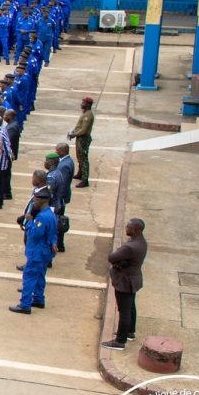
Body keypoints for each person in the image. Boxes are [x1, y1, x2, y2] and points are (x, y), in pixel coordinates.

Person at [10, 188, 57, 315]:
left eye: (35, 200)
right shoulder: (51, 214)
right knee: (40, 276)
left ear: (41, 201)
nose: (34, 203)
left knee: (29, 277)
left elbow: (35, 234)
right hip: (45, 252)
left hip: (37, 252)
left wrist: (30, 221)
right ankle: (38, 298)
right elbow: (53, 233)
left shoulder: (42, 217)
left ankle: (25, 304)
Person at [103, 219, 148, 351]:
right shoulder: (141, 242)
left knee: (124, 311)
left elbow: (111, 257)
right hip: (133, 279)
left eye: (129, 227)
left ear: (136, 229)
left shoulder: (130, 247)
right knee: (131, 307)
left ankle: (120, 341)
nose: (126, 228)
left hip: (125, 281)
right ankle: (129, 332)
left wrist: (119, 260)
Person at [69, 97, 95, 188]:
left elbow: (84, 130)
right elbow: (79, 126)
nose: (81, 104)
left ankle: (85, 180)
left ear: (88, 104)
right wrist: (73, 132)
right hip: (80, 138)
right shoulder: (85, 113)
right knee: (79, 157)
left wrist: (74, 134)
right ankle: (80, 173)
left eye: (83, 103)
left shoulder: (88, 115)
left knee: (83, 159)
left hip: (83, 138)